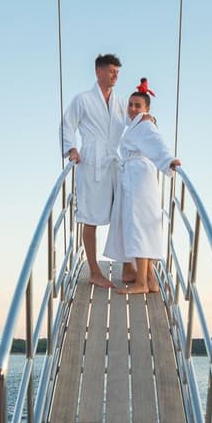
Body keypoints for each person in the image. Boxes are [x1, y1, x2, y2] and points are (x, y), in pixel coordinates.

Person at [61, 53, 126, 289]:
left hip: (112, 163)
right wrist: (72, 149)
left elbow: (134, 119)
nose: (115, 75)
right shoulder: (83, 99)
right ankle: (94, 271)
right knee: (90, 217)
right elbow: (67, 123)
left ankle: (129, 266)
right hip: (90, 162)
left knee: (124, 209)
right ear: (99, 72)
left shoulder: (120, 102)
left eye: (118, 72)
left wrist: (146, 117)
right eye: (111, 71)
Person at [111, 78, 180, 296]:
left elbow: (157, 141)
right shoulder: (136, 124)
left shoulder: (144, 124)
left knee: (139, 225)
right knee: (143, 224)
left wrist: (169, 159)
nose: (132, 108)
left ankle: (141, 282)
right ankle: (149, 278)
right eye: (130, 105)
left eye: (137, 105)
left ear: (146, 109)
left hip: (138, 178)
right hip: (140, 175)